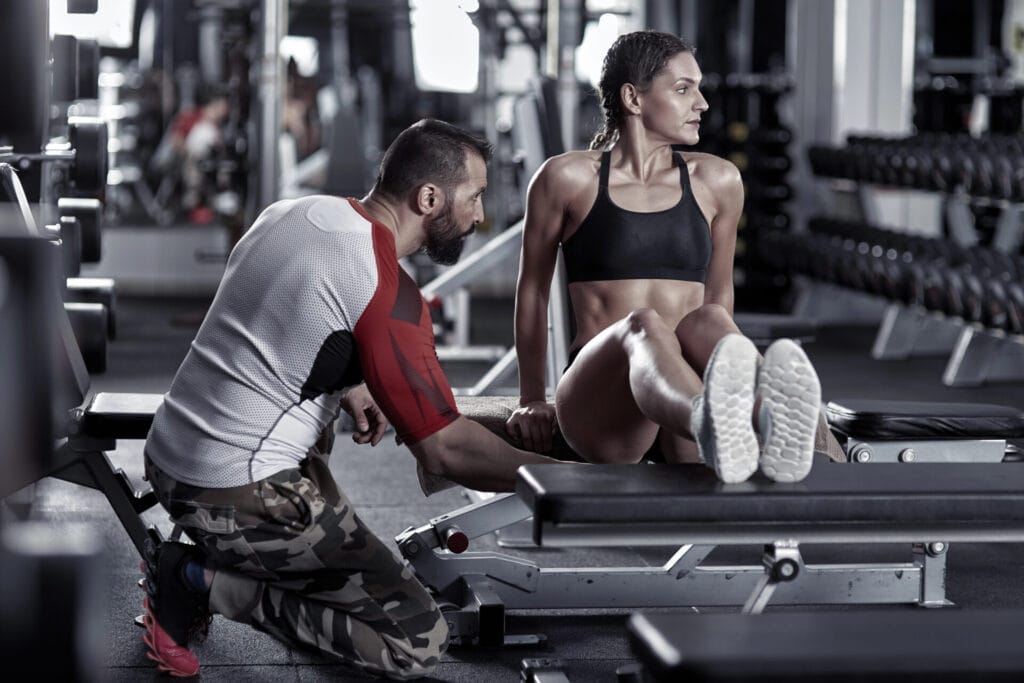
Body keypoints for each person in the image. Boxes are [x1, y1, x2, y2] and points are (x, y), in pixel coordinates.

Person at [139, 119, 566, 679]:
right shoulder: (385, 290)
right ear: (429, 198)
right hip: (230, 492)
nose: (480, 216)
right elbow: (446, 452)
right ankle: (197, 583)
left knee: (352, 577)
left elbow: (276, 323)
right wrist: (560, 481)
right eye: (476, 196)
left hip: (170, 452)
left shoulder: (293, 212)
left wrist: (347, 380)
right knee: (416, 639)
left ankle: (247, 561)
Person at [506, 30, 823, 484]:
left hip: (686, 382)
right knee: (644, 324)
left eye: (698, 87)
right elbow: (533, 291)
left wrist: (717, 359)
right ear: (634, 98)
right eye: (683, 89)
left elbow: (719, 293)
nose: (703, 104)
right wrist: (532, 396)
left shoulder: (719, 181)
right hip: (604, 402)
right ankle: (711, 422)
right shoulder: (566, 178)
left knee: (708, 319)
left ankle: (764, 418)